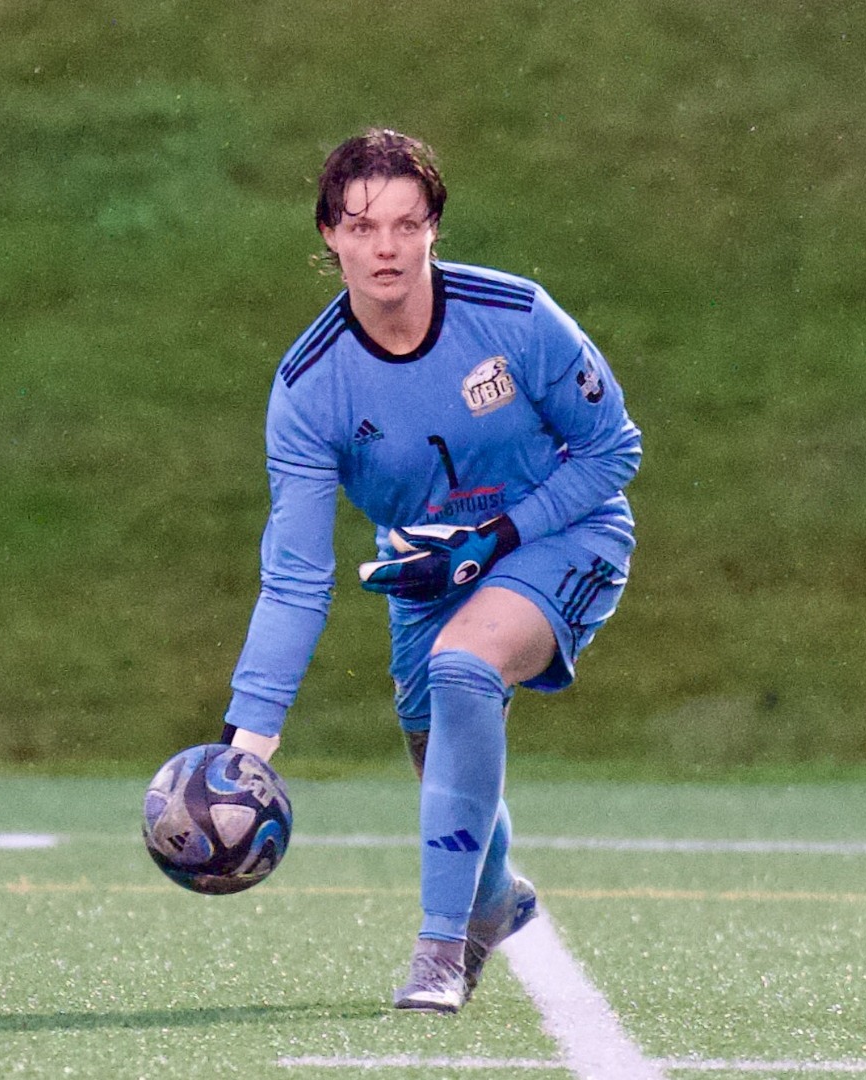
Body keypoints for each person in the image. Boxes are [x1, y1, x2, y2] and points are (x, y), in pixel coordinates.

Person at [219, 128, 641, 1014]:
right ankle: (492, 902)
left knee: (464, 669)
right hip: (428, 582)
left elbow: (611, 451)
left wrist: (500, 533)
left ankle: (440, 951)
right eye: (363, 225)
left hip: (563, 535)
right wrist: (249, 740)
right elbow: (296, 575)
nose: (386, 248)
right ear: (329, 233)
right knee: (442, 755)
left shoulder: (516, 316)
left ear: (434, 229)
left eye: (407, 225)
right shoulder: (309, 388)